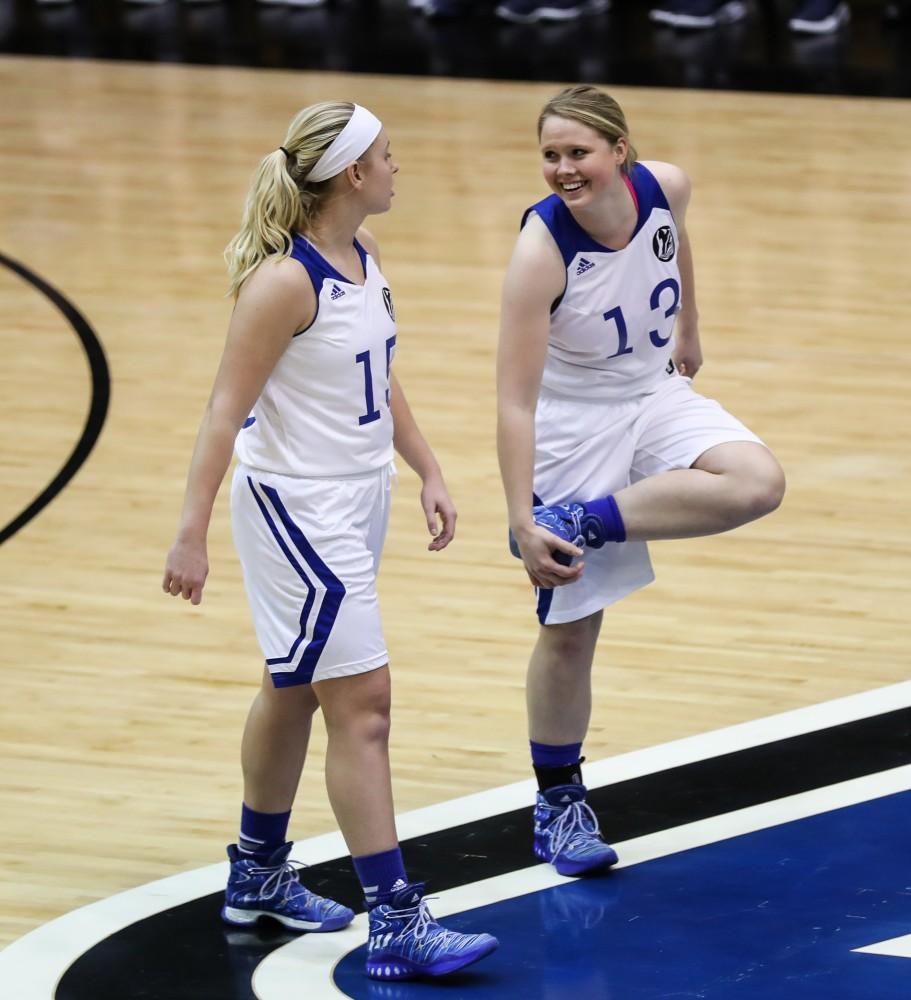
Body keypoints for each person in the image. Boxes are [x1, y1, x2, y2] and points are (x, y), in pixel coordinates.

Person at [162, 101, 497, 981]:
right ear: (352, 174)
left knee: (296, 687)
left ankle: (257, 874)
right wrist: (190, 532)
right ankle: (395, 916)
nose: (398, 168)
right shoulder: (284, 282)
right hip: (294, 510)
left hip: (358, 497)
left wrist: (425, 465)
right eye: (389, 157)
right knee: (366, 704)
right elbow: (223, 411)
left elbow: (377, 377)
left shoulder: (364, 256)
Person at [496, 85, 785, 877]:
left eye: (577, 152)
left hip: (651, 391)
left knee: (756, 481)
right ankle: (558, 804)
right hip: (571, 420)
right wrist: (522, 519)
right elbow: (514, 400)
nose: (562, 169)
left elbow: (674, 241)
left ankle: (582, 518)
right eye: (550, 155)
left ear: (619, 152)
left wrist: (689, 324)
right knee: (571, 630)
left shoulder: (665, 186)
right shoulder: (540, 249)